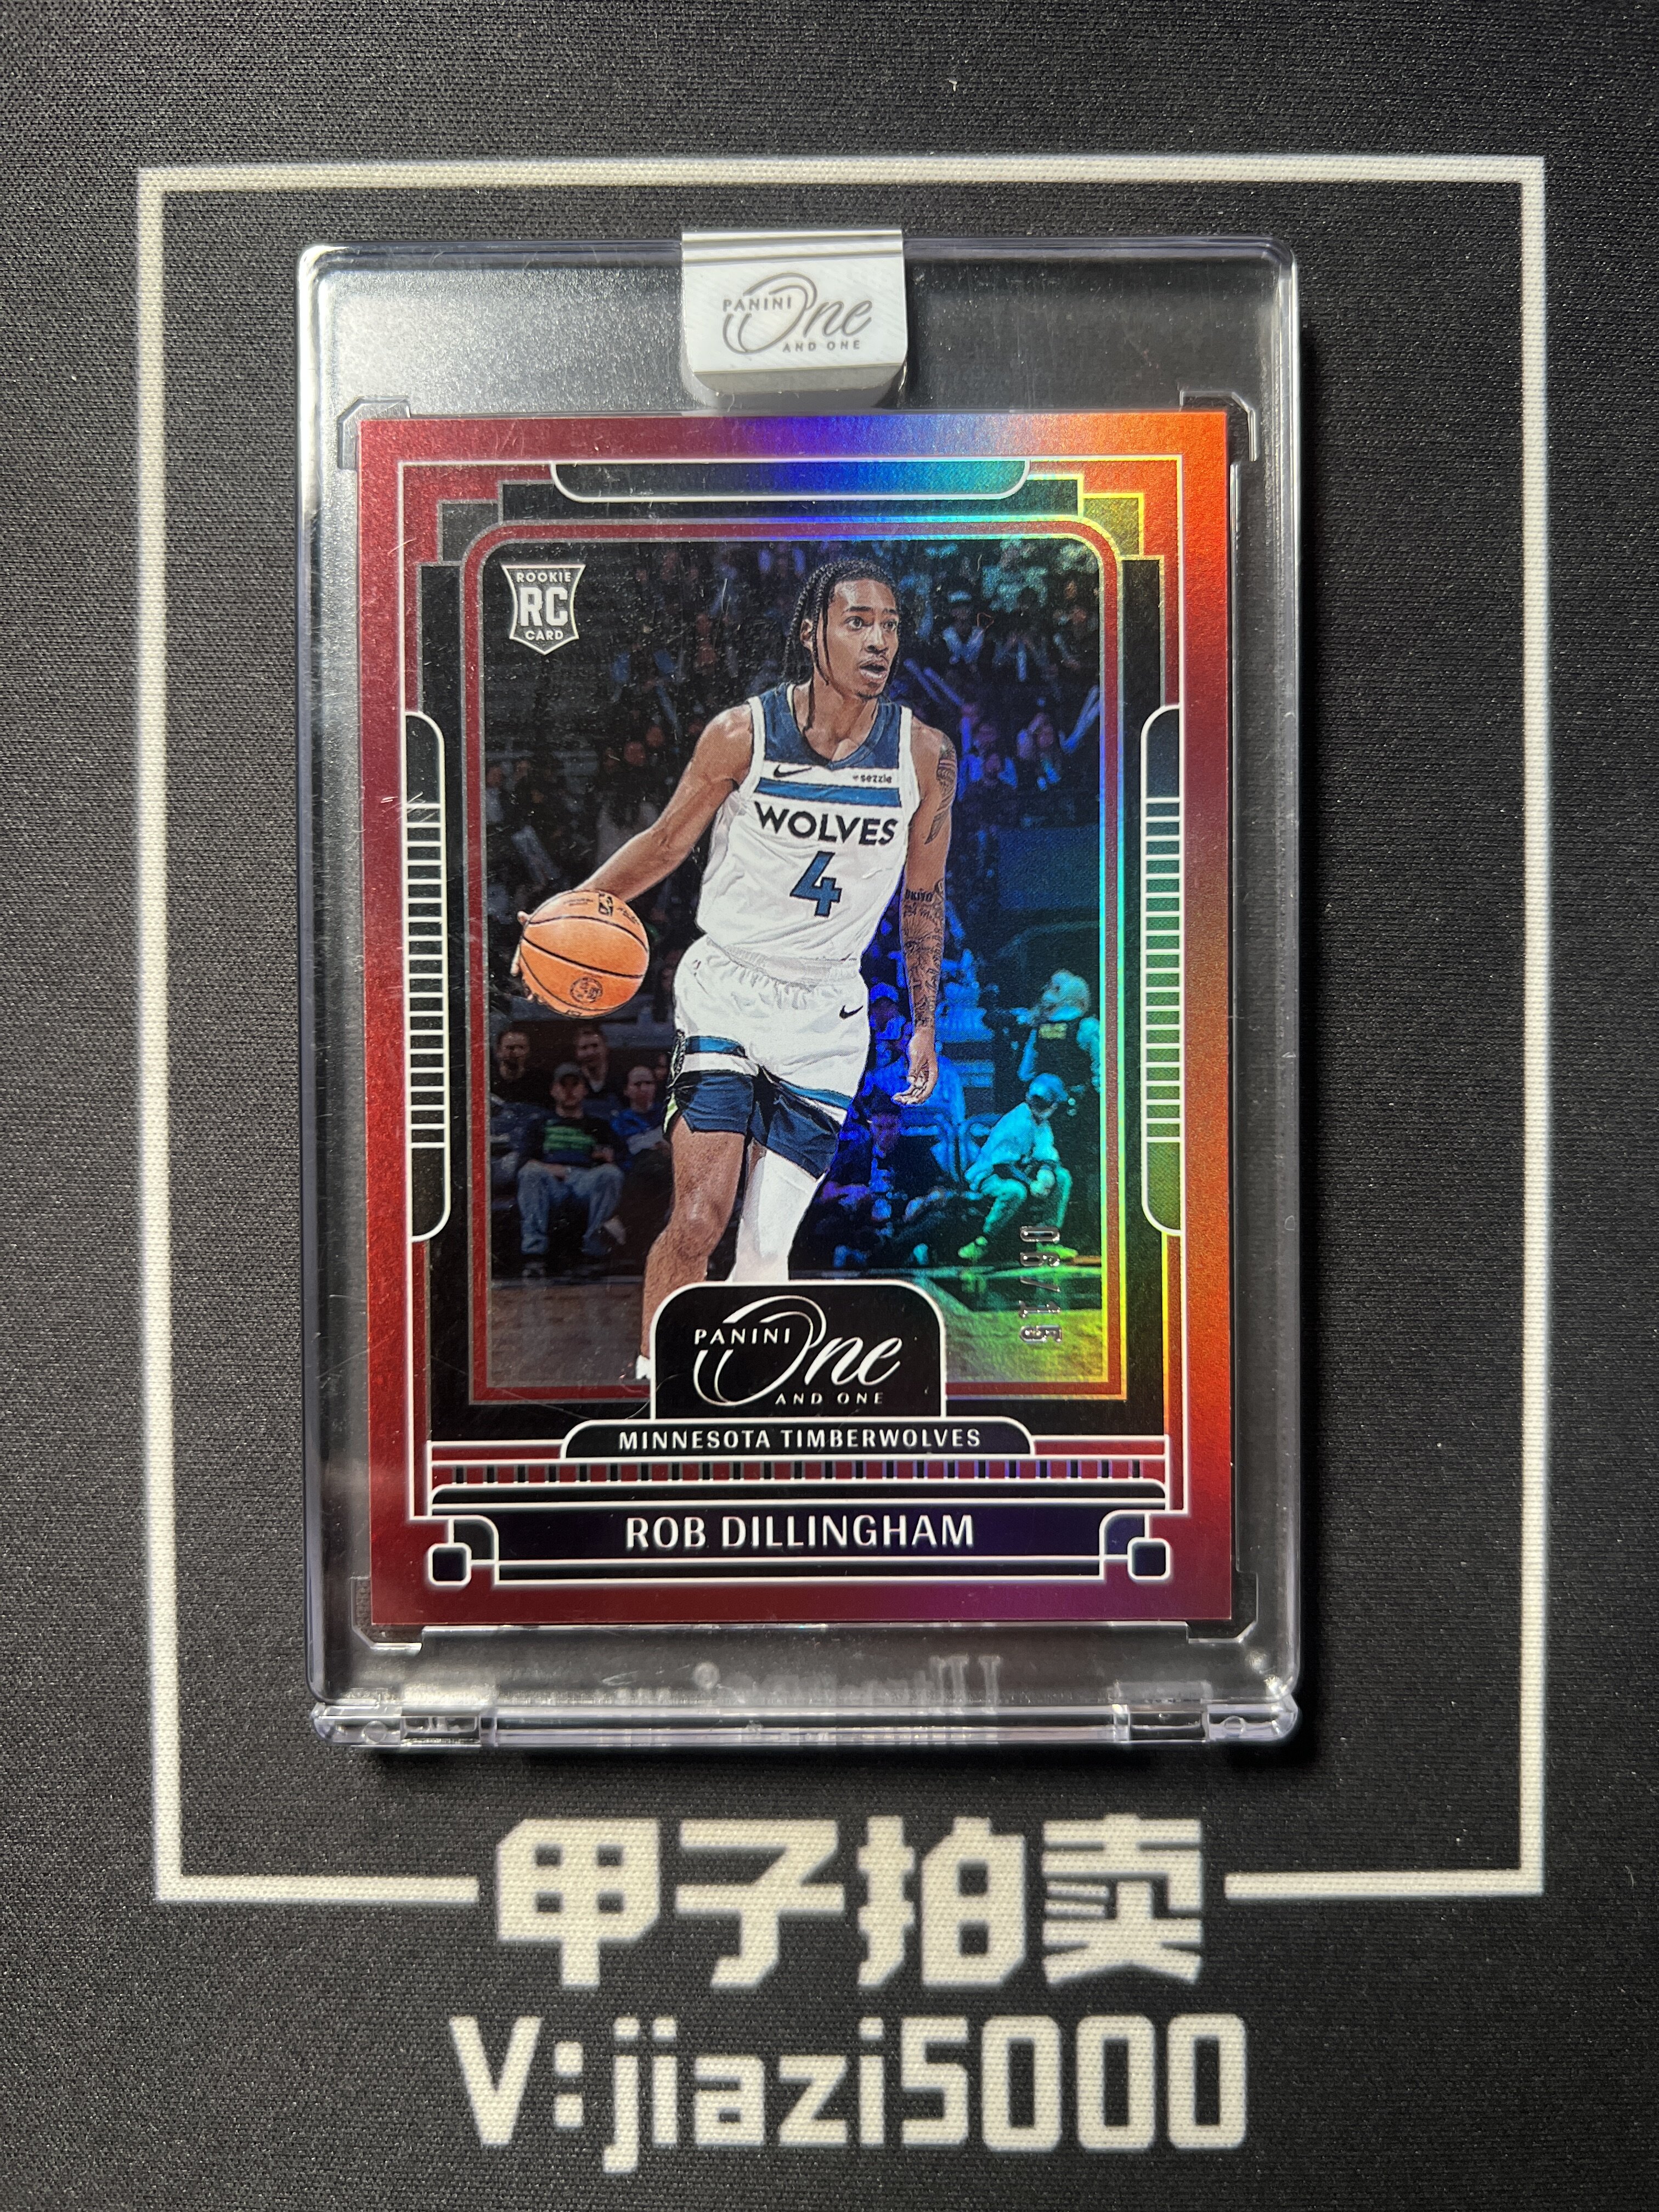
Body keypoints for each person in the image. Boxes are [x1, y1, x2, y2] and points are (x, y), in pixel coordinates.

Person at [524, 556, 955, 1376]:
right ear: (811, 633)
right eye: (858, 622)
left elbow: (924, 899)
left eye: (891, 625)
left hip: (827, 1012)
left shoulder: (925, 755)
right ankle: (655, 1384)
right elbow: (664, 843)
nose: (879, 641)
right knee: (698, 1217)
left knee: (764, 1252)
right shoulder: (742, 733)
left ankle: (728, 1400)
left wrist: (925, 1022)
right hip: (729, 987)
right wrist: (566, 910)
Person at [516, 1063, 627, 1278]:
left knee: (611, 1174)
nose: (569, 1091)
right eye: (563, 1085)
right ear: (553, 1090)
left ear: (584, 1090)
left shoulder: (599, 1126)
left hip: (587, 1182)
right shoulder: (540, 1124)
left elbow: (621, 1160)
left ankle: (594, 1253)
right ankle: (534, 1255)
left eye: (575, 1085)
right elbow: (523, 1163)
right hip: (551, 1183)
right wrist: (557, 1170)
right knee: (530, 1173)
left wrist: (609, 1158)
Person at [959, 1073, 1074, 1262]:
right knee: (1016, 1191)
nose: (1037, 1105)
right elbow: (1002, 1166)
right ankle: (983, 1242)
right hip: (989, 1175)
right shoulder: (1018, 1120)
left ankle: (1047, 1241)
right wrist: (1031, 1184)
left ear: (1054, 1106)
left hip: (1020, 1171)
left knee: (1062, 1177)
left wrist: (1046, 1171)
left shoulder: (1043, 1124)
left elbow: (1046, 1155)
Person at [572, 1023, 624, 1121]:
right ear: (577, 1053)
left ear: (606, 1048)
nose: (590, 1052)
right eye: (584, 1048)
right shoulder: (573, 1083)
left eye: (595, 1046)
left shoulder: (621, 1081)